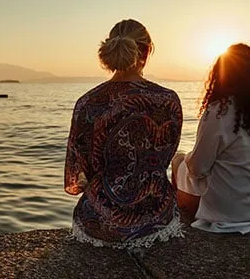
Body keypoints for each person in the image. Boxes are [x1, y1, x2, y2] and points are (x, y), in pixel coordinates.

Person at [64, 19, 184, 248]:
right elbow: (164, 157)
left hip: (100, 222)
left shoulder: (88, 102)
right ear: (147, 51)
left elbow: (80, 174)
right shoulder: (169, 100)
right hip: (159, 218)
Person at [172, 43, 250, 234]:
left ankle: (176, 214)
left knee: (179, 161)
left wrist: (186, 159)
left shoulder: (219, 112)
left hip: (226, 213)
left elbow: (198, 168)